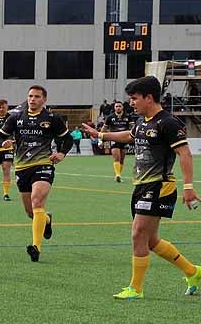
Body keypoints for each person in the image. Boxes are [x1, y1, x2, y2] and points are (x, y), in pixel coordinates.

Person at [82, 75, 201, 299]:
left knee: (138, 234)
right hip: (141, 185)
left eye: (134, 98)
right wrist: (100, 134)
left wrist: (188, 187)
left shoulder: (168, 122)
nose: (131, 103)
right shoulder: (141, 121)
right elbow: (130, 135)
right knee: (151, 240)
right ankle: (193, 272)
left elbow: (184, 153)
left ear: (149, 98)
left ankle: (136, 289)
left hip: (159, 186)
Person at [0, 85, 73, 263]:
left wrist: (61, 153)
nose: (32, 99)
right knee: (31, 212)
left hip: (43, 164)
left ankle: (36, 247)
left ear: (44, 99)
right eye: (30, 96)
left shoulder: (53, 118)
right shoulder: (16, 117)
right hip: (22, 167)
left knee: (37, 201)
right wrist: (4, 142)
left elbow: (67, 139)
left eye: (37, 96)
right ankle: (46, 219)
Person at [102, 100, 133, 182]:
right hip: (114, 139)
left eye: (119, 106)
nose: (118, 108)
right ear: (114, 108)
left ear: (122, 107)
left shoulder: (128, 116)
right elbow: (104, 129)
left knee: (122, 159)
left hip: (124, 139)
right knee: (117, 157)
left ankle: (118, 174)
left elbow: (133, 127)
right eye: (116, 106)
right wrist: (100, 139)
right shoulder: (110, 117)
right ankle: (118, 175)